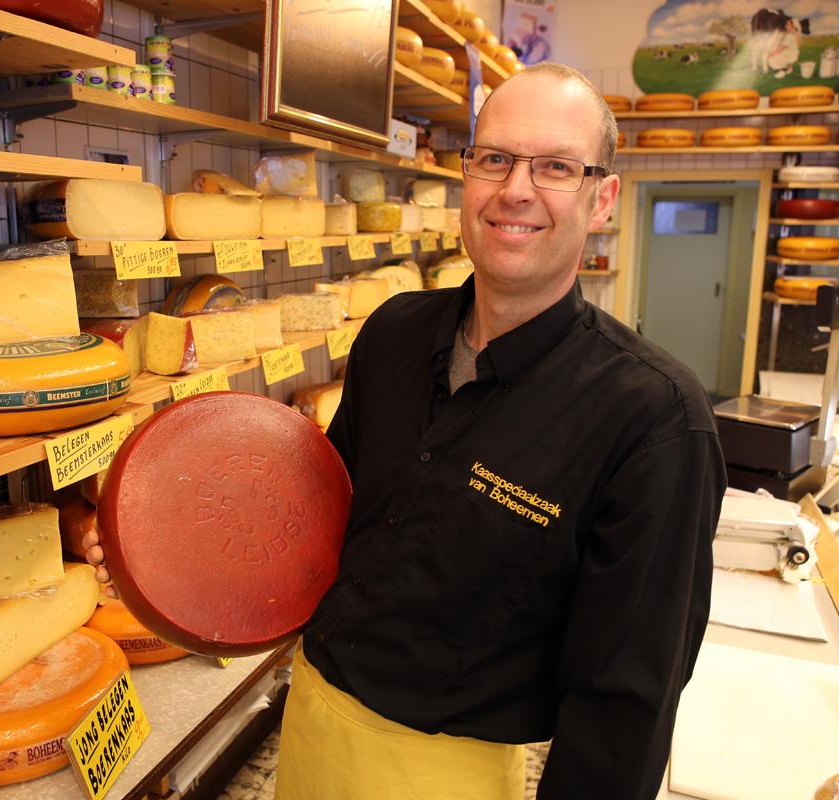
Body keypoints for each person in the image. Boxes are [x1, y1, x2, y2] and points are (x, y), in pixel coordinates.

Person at [89, 62, 725, 800]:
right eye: (495, 159)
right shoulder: (393, 333)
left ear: (602, 197)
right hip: (311, 724)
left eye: (554, 166)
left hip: (450, 772)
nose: (516, 189)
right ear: (467, 177)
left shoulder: (653, 416)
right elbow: (314, 525)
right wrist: (164, 551)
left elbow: (626, 707)